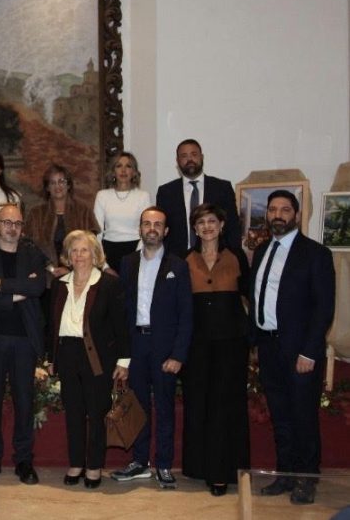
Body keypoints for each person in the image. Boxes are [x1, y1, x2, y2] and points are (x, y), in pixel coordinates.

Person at [251, 190, 335, 505]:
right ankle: (285, 474)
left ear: (297, 215)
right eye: (272, 209)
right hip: (269, 347)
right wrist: (255, 342)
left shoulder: (315, 254)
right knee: (281, 417)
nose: (278, 215)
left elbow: (323, 308)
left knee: (303, 417)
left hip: (300, 352)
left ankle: (306, 479)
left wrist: (310, 352)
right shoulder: (261, 251)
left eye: (285, 210)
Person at [112, 206, 193, 489]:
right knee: (138, 406)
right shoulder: (128, 263)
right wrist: (123, 356)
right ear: (140, 229)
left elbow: (186, 314)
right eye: (147, 224)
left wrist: (178, 355)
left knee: (165, 407)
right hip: (136, 344)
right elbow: (122, 311)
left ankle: (164, 465)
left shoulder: (178, 266)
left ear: (166, 231)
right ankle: (139, 462)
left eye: (158, 224)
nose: (152, 229)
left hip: (164, 348)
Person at [0, 204, 47, 485]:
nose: (12, 228)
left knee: (25, 401)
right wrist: (16, 293)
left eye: (17, 223)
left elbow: (38, 287)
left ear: (22, 227)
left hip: (25, 338)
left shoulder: (33, 254)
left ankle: (24, 460)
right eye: (6, 222)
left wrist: (0, 284)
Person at [48, 230, 129, 489]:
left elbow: (121, 324)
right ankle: (76, 463)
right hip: (67, 354)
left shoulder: (108, 284)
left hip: (97, 356)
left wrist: (123, 360)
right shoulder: (59, 285)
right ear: (67, 256)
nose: (79, 255)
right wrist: (51, 357)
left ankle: (94, 466)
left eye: (84, 250)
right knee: (73, 412)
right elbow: (51, 325)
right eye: (74, 250)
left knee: (97, 413)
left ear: (95, 255)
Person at [180, 203, 250, 497]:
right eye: (201, 222)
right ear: (194, 229)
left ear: (221, 225)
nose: (207, 227)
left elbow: (248, 298)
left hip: (230, 344)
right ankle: (201, 468)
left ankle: (222, 472)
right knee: (199, 404)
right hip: (197, 345)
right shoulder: (185, 260)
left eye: (212, 221)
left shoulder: (236, 257)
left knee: (224, 406)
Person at [156, 139, 241, 256]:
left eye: (194, 154)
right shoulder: (166, 192)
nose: (190, 159)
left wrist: (232, 256)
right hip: (177, 258)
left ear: (202, 157)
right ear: (177, 161)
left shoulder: (222, 188)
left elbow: (233, 226)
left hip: (216, 257)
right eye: (184, 156)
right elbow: (162, 229)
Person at [24, 163, 100, 281]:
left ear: (68, 185)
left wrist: (70, 269)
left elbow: (91, 246)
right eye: (52, 182)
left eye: (61, 181)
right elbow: (29, 246)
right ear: (47, 187)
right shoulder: (36, 214)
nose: (57, 186)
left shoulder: (83, 211)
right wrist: (50, 268)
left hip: (78, 274)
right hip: (44, 275)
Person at [93, 152, 151, 272]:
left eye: (128, 166)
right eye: (119, 166)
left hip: (136, 250)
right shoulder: (102, 196)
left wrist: (135, 259)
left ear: (134, 172)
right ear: (113, 171)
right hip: (108, 252)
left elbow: (146, 230)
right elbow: (97, 233)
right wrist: (104, 265)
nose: (123, 170)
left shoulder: (143, 196)